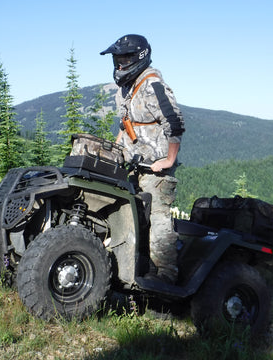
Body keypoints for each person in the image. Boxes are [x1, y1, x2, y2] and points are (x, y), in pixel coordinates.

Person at [100, 34, 185, 284]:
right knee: (135, 217)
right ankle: (137, 269)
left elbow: (175, 123)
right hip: (134, 166)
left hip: (155, 170)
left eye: (124, 59)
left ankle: (167, 276)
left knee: (158, 219)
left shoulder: (152, 84)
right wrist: (113, 150)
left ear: (138, 57)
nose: (119, 64)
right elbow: (126, 124)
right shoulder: (126, 88)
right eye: (117, 59)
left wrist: (168, 160)